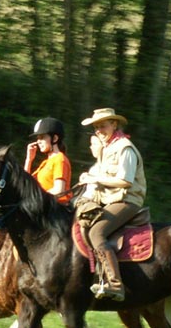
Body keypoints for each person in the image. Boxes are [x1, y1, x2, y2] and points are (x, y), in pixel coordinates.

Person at [76, 107, 147, 301]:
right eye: (96, 127)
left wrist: (95, 178)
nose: (99, 130)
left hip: (127, 200)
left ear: (114, 124)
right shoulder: (108, 148)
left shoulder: (125, 147)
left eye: (103, 126)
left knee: (96, 232)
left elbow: (125, 181)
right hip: (111, 199)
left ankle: (115, 284)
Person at [25, 117, 72, 204]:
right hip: (43, 205)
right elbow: (26, 184)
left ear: (54, 139)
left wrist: (35, 198)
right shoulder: (45, 163)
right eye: (37, 138)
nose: (38, 141)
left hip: (56, 209)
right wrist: (29, 159)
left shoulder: (60, 159)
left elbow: (59, 190)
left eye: (42, 137)